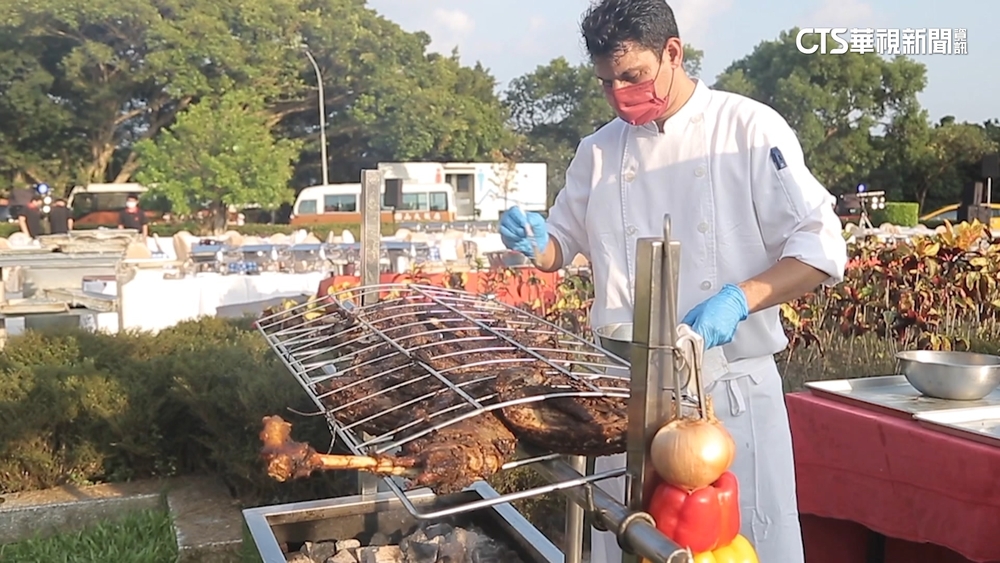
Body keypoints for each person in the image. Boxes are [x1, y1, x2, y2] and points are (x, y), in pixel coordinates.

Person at [498, 1, 848, 561]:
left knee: (742, 546)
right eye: (606, 83)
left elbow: (821, 249)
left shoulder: (748, 130)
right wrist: (534, 239)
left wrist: (741, 298)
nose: (619, 95)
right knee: (631, 543)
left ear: (673, 53)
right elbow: (558, 248)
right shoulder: (597, 152)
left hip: (726, 401)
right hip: (624, 400)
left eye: (632, 76)